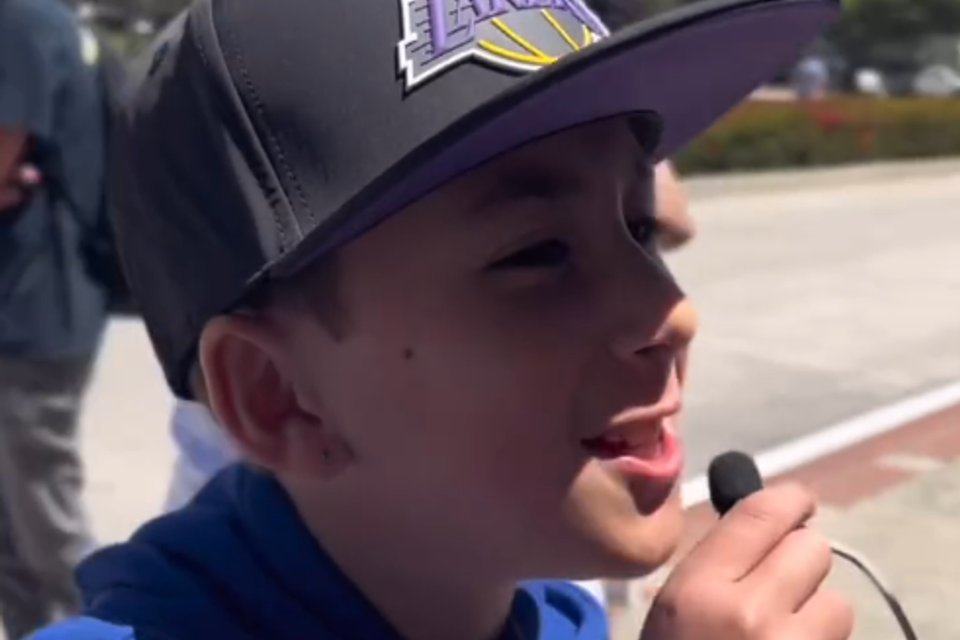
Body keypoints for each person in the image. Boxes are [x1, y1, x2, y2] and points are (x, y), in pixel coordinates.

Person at [29, 0, 850, 639]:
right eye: (538, 253)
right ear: (279, 395)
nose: (671, 312)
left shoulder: (551, 611)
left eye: (638, 226)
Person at [0, 0, 108, 636]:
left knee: (45, 525)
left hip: (37, 309)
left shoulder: (18, 19)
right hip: (33, 304)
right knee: (14, 526)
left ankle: (93, 626)